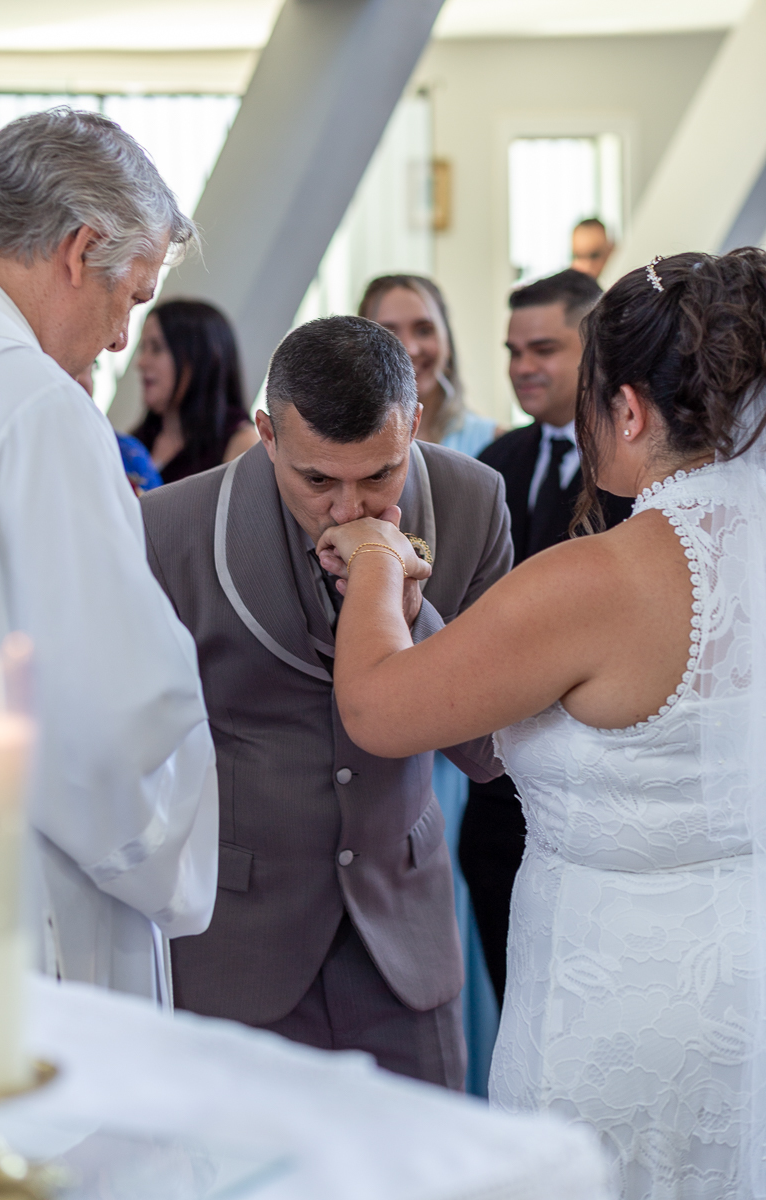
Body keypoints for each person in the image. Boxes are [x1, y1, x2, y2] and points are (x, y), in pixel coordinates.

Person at [315, 248, 766, 1198]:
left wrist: (374, 564)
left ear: (631, 410)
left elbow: (377, 706)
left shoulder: (602, 574)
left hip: (617, 1001)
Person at [141, 315, 513, 1088]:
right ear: (268, 433)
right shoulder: (168, 529)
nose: (350, 508)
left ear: (413, 423)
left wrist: (412, 615)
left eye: (380, 473)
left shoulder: (476, 502)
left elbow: (489, 752)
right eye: (318, 479)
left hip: (403, 939)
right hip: (236, 946)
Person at [0, 107, 219, 1000]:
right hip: (19, 897)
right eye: (132, 296)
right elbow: (114, 717)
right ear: (79, 251)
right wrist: (174, 858)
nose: (120, 341)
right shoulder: (38, 408)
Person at [459, 270, 632, 1011]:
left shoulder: (634, 474)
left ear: (593, 349)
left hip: (595, 784)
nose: (524, 366)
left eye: (544, 348)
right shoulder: (500, 460)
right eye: (512, 351)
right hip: (497, 803)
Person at [360, 272, 500, 1093]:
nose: (412, 342)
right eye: (391, 328)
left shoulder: (484, 450)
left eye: (423, 325)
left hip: (454, 687)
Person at [358, 274, 497, 456]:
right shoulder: (337, 444)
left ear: (446, 339)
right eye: (389, 333)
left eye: (424, 330)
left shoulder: (495, 444)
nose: (410, 349)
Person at [133, 298, 259, 483]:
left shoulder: (240, 444)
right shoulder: (141, 437)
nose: (141, 362)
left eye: (157, 348)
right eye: (143, 348)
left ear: (200, 360)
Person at [76, 361, 162, 495]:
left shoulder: (127, 454)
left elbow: (156, 512)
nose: (85, 381)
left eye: (92, 367)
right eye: (73, 368)